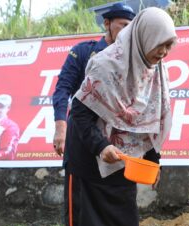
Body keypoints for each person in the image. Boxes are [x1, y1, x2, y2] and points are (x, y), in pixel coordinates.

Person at [64, 7, 176, 226]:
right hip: (89, 156)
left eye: (168, 45)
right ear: (142, 38)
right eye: (159, 44)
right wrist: (102, 147)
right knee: (88, 222)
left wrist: (153, 160)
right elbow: (79, 114)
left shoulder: (154, 72)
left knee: (124, 216)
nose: (163, 52)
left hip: (125, 157)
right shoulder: (105, 65)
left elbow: (153, 118)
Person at [52, 2, 136, 156]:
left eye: (130, 28)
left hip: (117, 143)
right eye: (123, 25)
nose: (127, 32)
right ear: (106, 24)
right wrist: (60, 128)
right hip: (82, 135)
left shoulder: (133, 60)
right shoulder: (83, 51)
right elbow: (63, 89)